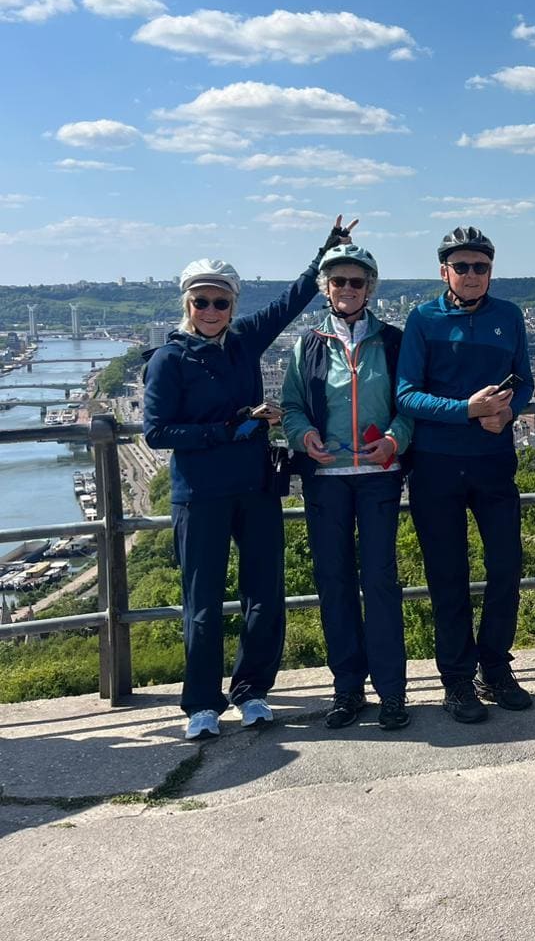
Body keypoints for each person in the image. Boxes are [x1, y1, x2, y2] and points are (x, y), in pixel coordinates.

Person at [144, 216, 354, 741]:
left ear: (232, 305)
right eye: (201, 301)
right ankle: (201, 703)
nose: (211, 310)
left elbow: (290, 301)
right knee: (202, 604)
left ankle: (253, 690)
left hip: (255, 486)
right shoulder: (168, 359)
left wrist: (326, 251)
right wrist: (230, 428)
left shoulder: (242, 342)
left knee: (266, 594)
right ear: (187, 305)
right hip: (200, 494)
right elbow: (156, 432)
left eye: (220, 301)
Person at [396, 226, 534, 723]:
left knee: (506, 567)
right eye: (462, 266)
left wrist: (510, 412)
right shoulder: (422, 319)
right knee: (447, 575)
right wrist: (467, 410)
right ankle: (456, 679)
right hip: (436, 463)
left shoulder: (509, 316)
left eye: (481, 266)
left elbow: (525, 380)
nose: (472, 274)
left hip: (493, 460)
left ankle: (494, 667)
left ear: (491, 271)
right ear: (444, 272)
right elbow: (405, 395)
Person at [280, 243, 413, 731]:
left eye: (357, 281)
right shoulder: (307, 345)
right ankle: (348, 688)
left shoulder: (393, 342)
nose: (348, 289)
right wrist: (303, 436)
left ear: (370, 288)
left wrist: (396, 439)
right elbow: (292, 405)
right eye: (339, 281)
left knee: (380, 582)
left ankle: (392, 691)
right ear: (326, 288)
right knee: (333, 583)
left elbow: (409, 403)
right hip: (326, 479)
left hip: (378, 475)